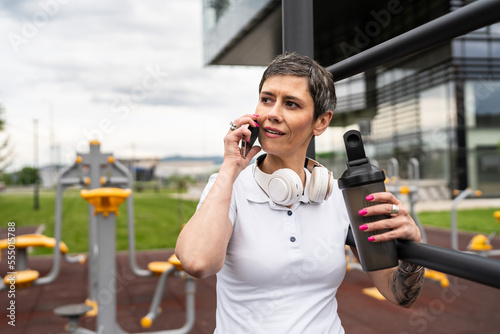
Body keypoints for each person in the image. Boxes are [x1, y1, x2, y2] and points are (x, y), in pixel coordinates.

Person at [175, 52, 424, 333]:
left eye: (291, 104)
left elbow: (399, 294)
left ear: (321, 121)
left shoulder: (336, 195)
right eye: (267, 99)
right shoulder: (227, 185)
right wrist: (230, 168)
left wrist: (412, 252)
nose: (272, 114)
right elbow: (197, 262)